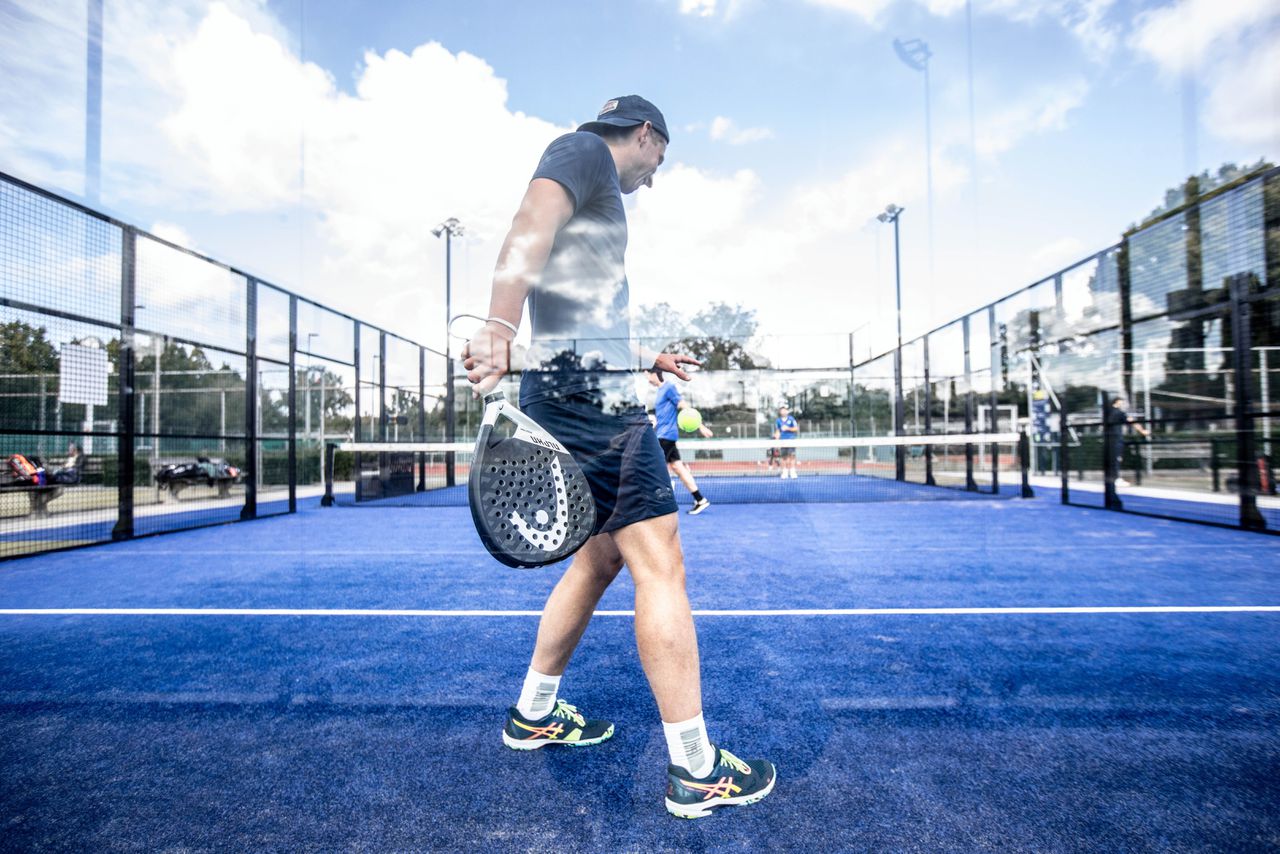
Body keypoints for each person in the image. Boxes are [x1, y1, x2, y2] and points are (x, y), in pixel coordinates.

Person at [461, 95, 775, 818]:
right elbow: (526, 226)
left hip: (574, 389)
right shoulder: (582, 153)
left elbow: (580, 313)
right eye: (658, 158)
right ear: (643, 134)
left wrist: (645, 353)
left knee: (600, 558)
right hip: (593, 405)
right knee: (661, 562)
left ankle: (534, 711)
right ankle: (697, 769)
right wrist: (499, 324)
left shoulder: (594, 179)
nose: (654, 176)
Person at [646, 368, 713, 515]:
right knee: (678, 467)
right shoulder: (660, 391)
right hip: (664, 435)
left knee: (655, 468)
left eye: (647, 375)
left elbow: (682, 404)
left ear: (653, 374)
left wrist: (700, 426)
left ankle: (661, 501)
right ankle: (700, 499)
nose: (647, 379)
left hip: (666, 436)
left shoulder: (668, 387)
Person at [1106, 396, 1150, 487]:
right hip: (1116, 438)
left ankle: (1112, 478)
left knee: (1112, 459)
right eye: (1121, 402)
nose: (1122, 404)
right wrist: (1143, 431)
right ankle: (1116, 479)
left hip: (1109, 438)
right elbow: (1132, 422)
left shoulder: (1107, 412)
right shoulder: (1119, 413)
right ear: (1117, 402)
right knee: (1117, 458)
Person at [773, 404, 799, 479]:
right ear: (780, 412)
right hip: (782, 441)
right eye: (782, 410)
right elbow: (777, 431)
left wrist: (788, 428)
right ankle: (784, 472)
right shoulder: (778, 421)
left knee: (792, 456)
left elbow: (796, 429)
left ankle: (792, 471)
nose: (783, 412)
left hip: (791, 440)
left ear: (787, 411)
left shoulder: (791, 419)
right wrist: (776, 440)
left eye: (785, 410)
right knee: (783, 457)